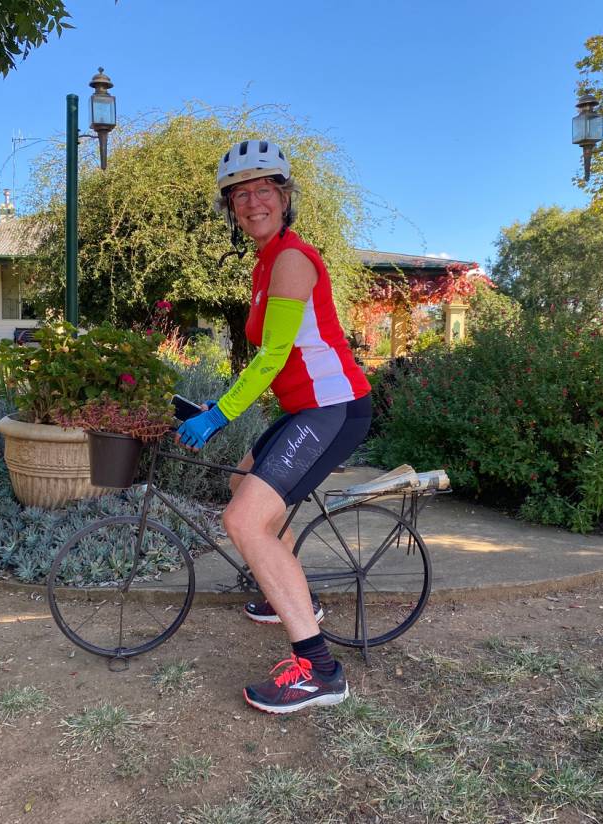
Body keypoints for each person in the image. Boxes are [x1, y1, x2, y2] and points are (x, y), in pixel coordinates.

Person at [176, 139, 372, 714]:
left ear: (285, 198)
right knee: (243, 488)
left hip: (332, 408)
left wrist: (220, 413)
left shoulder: (290, 259)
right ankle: (294, 598)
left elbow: (271, 356)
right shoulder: (266, 261)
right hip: (306, 408)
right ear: (229, 207)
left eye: (264, 190)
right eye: (240, 194)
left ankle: (320, 669)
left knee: (243, 521)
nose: (252, 202)